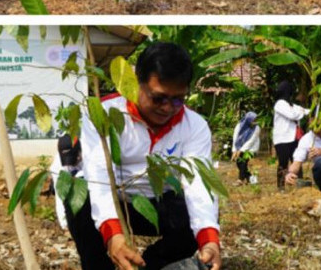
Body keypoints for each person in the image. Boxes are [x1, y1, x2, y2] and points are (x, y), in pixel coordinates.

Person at [68, 42, 222, 270]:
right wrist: (113, 233)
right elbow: (98, 177)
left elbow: (197, 183)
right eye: (158, 98)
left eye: (178, 99)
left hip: (159, 202)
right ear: (137, 83)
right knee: (77, 199)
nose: (168, 108)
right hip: (116, 196)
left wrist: (209, 241)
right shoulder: (103, 115)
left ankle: (148, 265)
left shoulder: (195, 126)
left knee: (198, 218)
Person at [272, 81, 308, 190]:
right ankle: (281, 186)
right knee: (283, 163)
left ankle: (299, 184)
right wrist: (301, 112)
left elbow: (304, 111)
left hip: (293, 138)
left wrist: (314, 109)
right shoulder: (279, 104)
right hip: (282, 139)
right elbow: (292, 115)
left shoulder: (291, 105)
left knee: (296, 160)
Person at [231, 112, 260, 184]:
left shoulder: (257, 128)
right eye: (253, 120)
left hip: (251, 148)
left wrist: (241, 150)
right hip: (239, 146)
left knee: (243, 161)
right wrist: (235, 150)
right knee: (238, 163)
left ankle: (240, 180)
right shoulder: (239, 126)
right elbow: (235, 137)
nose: (255, 122)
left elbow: (251, 141)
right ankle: (250, 178)